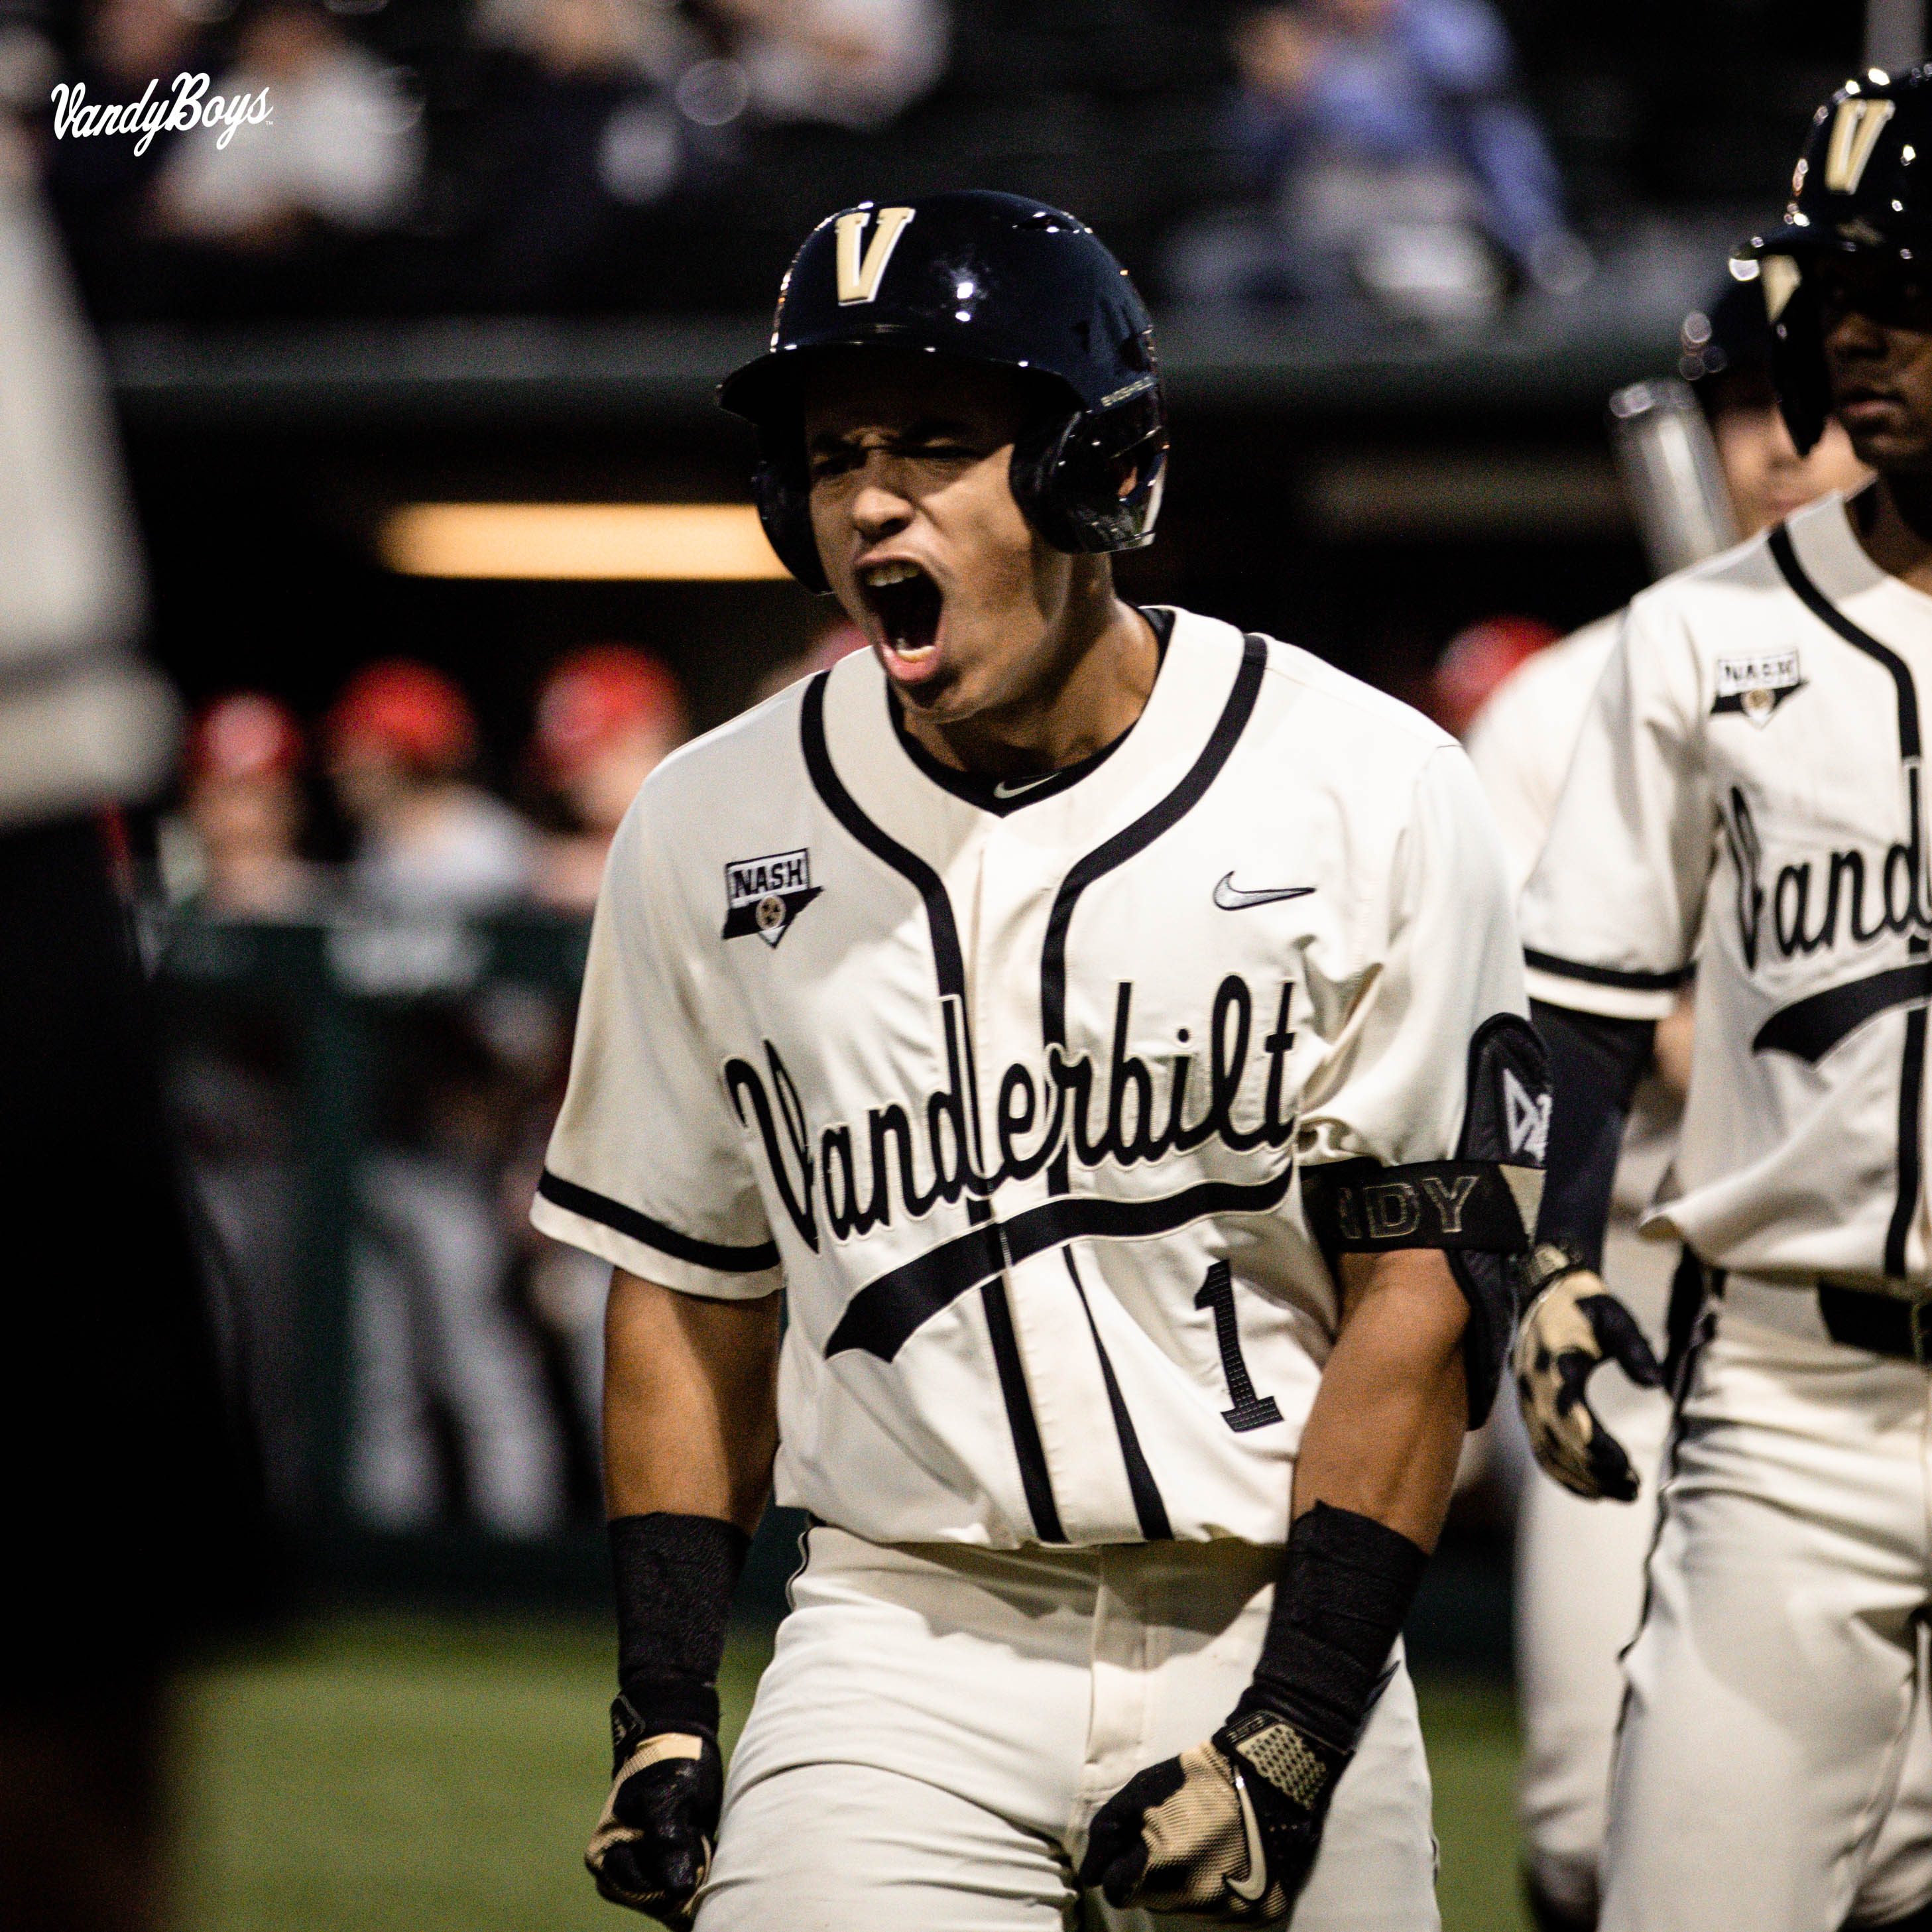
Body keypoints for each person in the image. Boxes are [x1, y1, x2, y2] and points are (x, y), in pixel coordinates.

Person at [530, 189, 1547, 1930]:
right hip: (897, 1638)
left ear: (1097, 476)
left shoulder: (1367, 786)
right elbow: (686, 1286)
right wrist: (662, 1712)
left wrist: (1292, 1732)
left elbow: (1426, 1283)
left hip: (1276, 1613)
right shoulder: (708, 825)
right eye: (832, 452)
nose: (868, 500)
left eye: (935, 443)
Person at [1512, 66, 1932, 1932]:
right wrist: (1543, 1256)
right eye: (1839, 294)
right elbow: (1584, 1003)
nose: (1855, 338)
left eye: (1905, 293)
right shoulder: (1704, 633)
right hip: (1792, 1402)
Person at [1465, 274, 1876, 1931]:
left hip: (1857, 1313)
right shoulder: (1568, 698)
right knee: (1581, 1820)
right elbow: (1553, 1039)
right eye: (1747, 404)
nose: (1783, 445)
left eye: (1829, 401)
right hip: (1628, 1282)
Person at [328, 658, 536, 917]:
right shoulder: (380, 836)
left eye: (361, 752)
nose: (341, 766)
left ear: (407, 760)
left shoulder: (477, 839)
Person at [531, 644, 687, 914]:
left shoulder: (708, 833)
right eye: (571, 762)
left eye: (601, 751)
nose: (581, 778)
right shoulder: (548, 861)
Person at [172, 690, 319, 915]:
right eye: (216, 791)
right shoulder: (172, 918)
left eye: (252, 791)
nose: (226, 811)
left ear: (291, 802)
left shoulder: (334, 912)